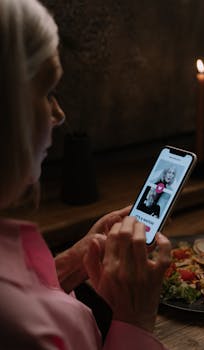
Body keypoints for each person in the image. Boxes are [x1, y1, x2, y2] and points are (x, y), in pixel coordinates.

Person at [0, 0, 171, 349]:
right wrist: (134, 320)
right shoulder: (21, 329)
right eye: (47, 92)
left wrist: (66, 267)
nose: (59, 115)